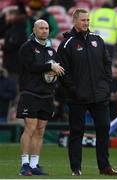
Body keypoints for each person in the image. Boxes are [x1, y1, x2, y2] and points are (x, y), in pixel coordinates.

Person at [57, 8, 117, 176]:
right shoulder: (67, 43)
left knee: (103, 129)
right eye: (83, 20)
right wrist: (74, 90)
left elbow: (107, 64)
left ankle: (104, 167)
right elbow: (62, 72)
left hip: (99, 95)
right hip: (77, 97)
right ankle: (76, 168)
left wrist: (105, 86)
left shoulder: (97, 40)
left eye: (88, 20)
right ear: (75, 21)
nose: (86, 23)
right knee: (76, 132)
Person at [16, 19, 64, 176]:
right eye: (41, 28)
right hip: (30, 93)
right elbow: (30, 67)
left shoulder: (51, 51)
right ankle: (24, 165)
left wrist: (54, 72)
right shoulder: (27, 47)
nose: (44, 31)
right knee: (29, 128)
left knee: (40, 131)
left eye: (47, 28)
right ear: (34, 30)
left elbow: (55, 70)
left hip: (47, 94)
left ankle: (34, 165)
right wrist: (50, 67)